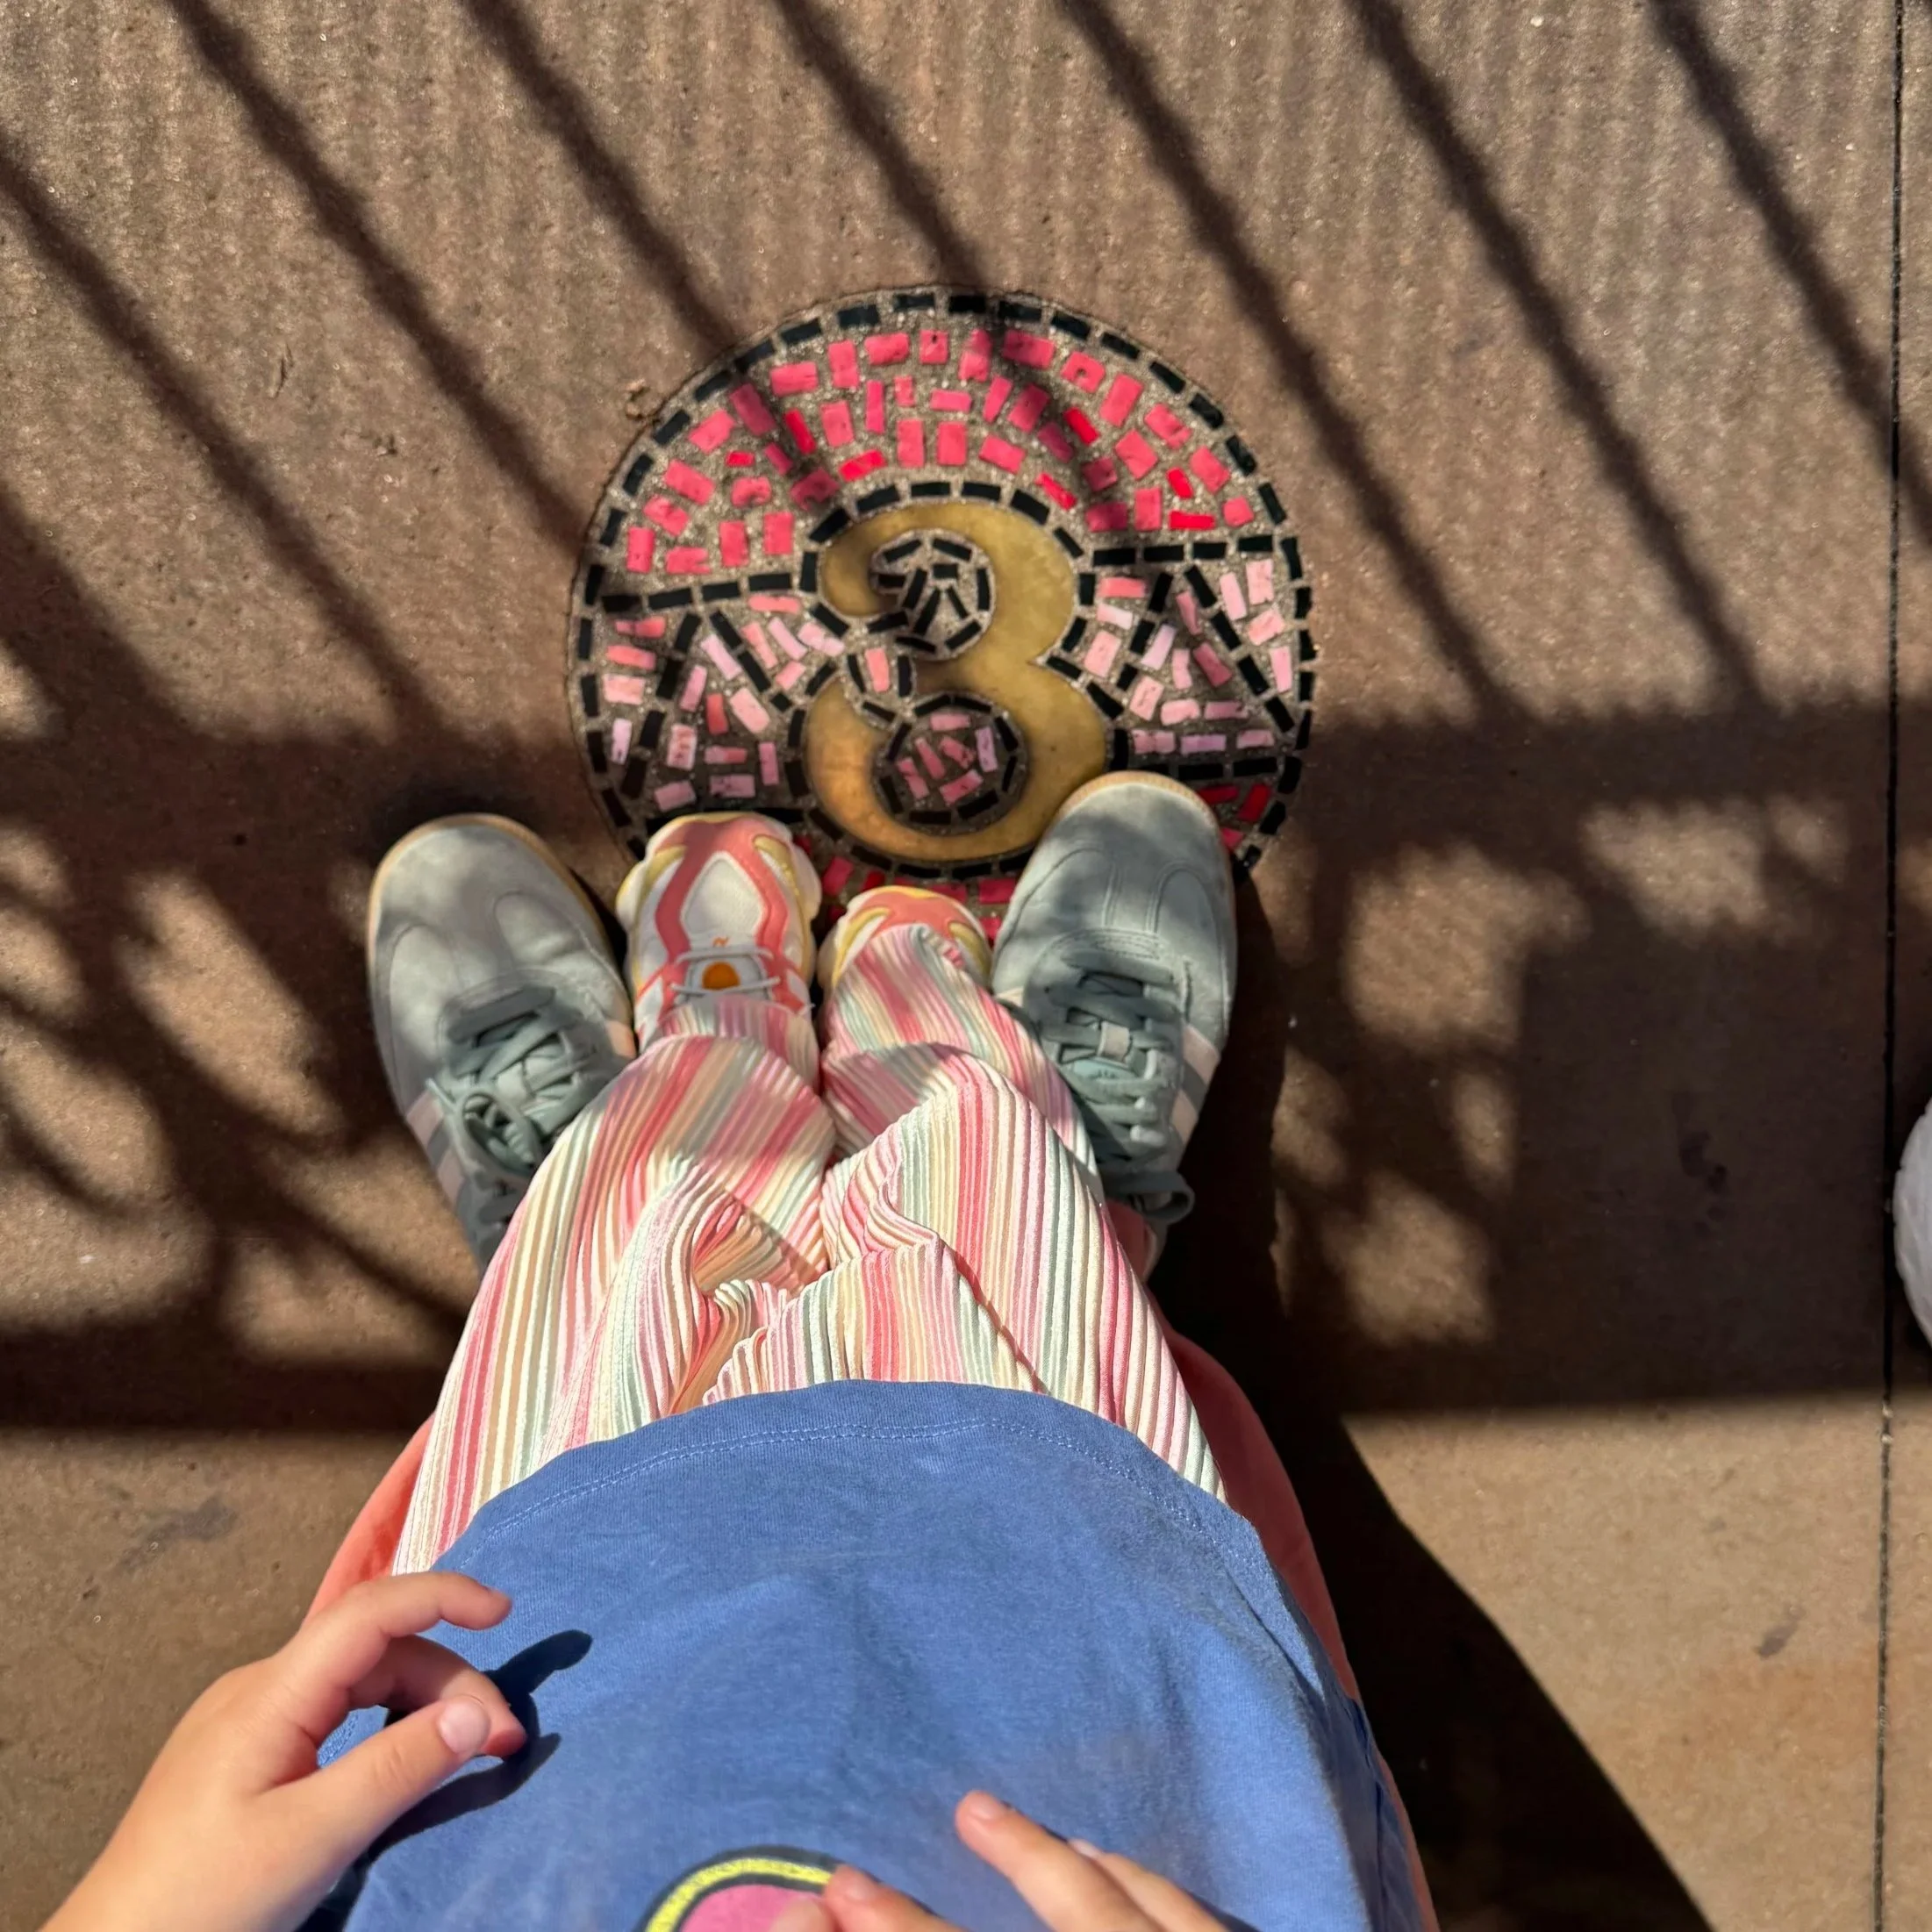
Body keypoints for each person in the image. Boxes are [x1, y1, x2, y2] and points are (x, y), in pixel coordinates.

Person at [44, 777, 1431, 1932]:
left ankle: (690, 1049)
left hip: (544, 1688)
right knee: (996, 1196)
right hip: (1067, 1623)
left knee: (625, 1248)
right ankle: (1004, 1094)